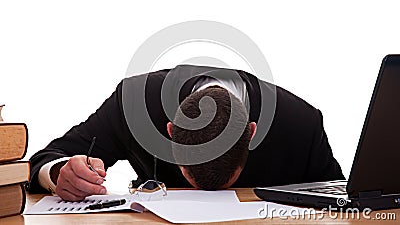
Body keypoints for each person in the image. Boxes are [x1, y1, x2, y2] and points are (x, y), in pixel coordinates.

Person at [28, 64, 344, 201]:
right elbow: (42, 161)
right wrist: (57, 174)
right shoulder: (135, 103)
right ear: (170, 131)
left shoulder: (301, 124)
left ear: (250, 133)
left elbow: (343, 202)